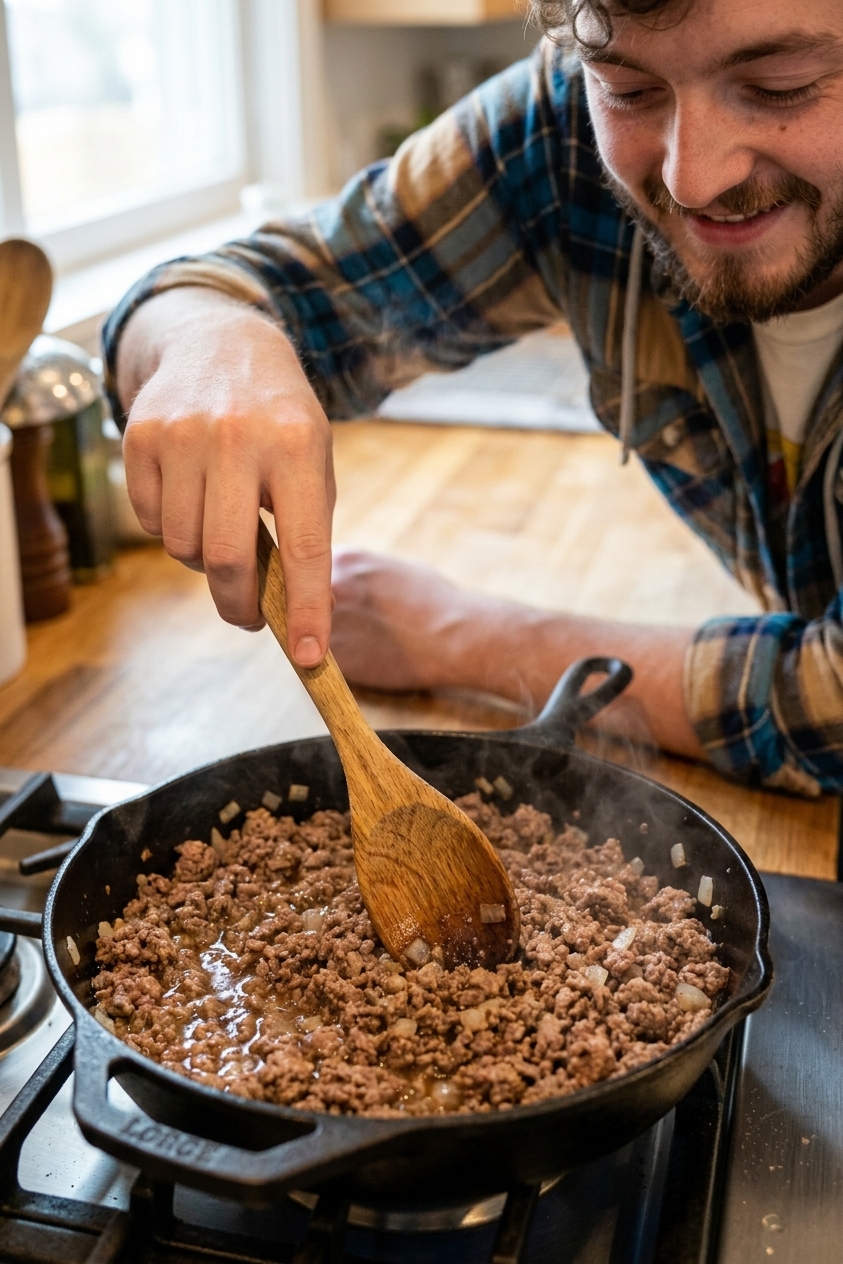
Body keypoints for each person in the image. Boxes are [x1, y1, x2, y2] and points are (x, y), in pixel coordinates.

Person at [104, 0, 843, 797]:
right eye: (628, 92)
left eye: (778, 86)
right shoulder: (557, 133)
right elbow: (259, 288)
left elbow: (827, 708)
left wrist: (456, 636)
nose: (689, 177)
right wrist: (208, 339)